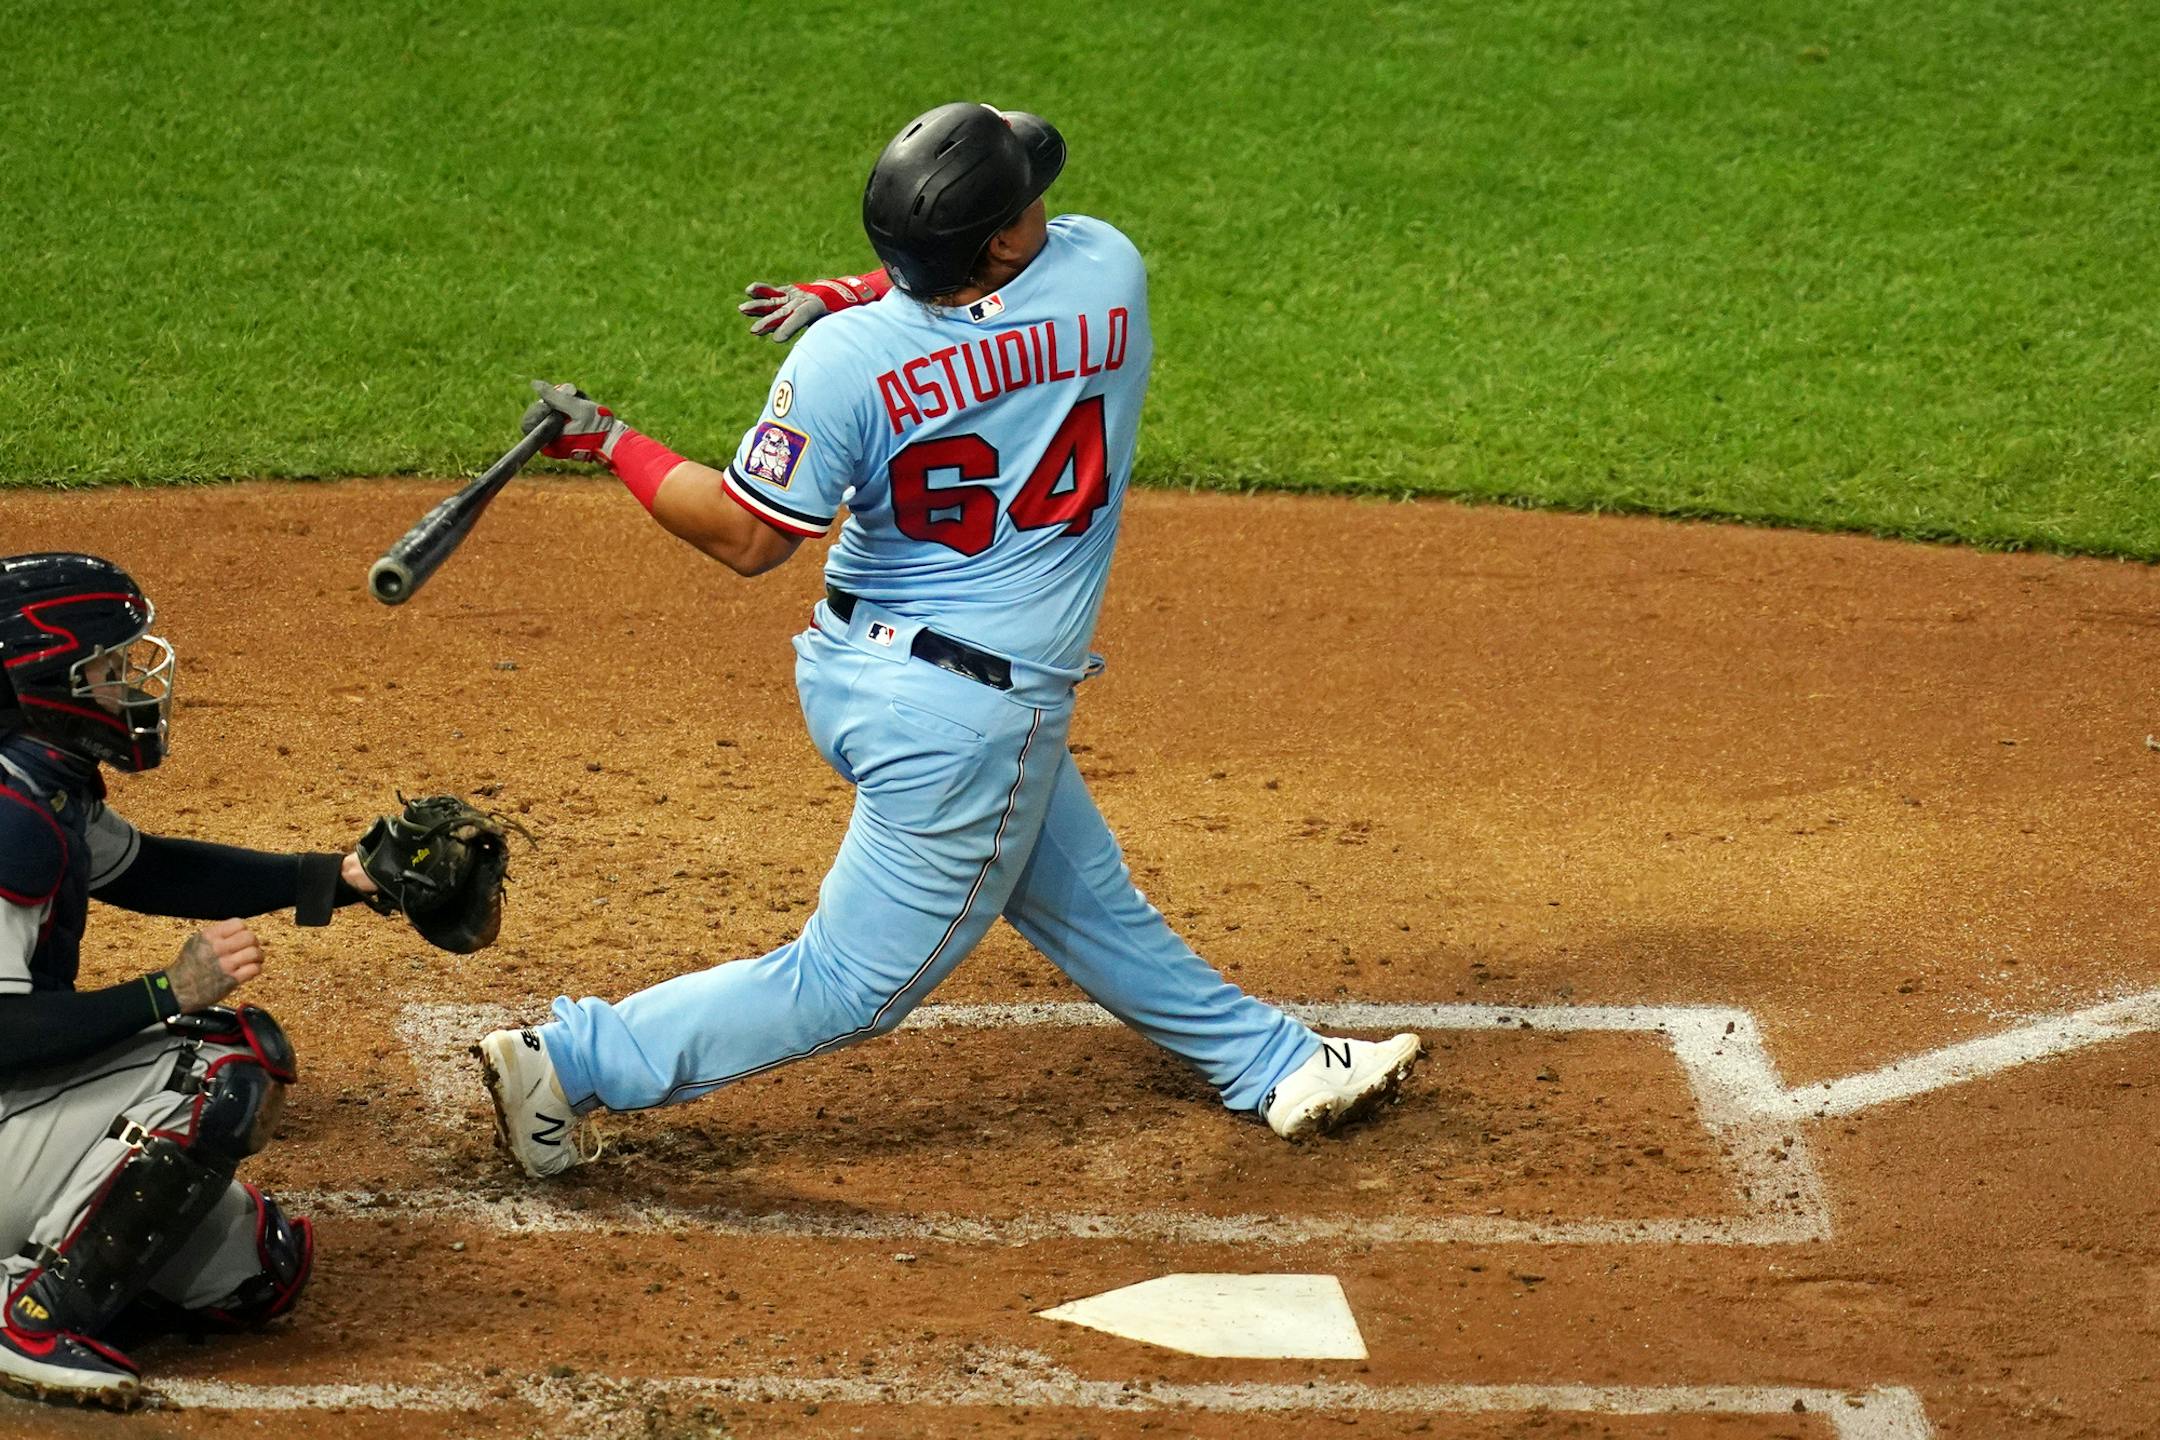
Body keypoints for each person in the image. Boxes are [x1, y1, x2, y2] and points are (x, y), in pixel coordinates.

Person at [477, 102, 1421, 1180]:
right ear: (1006, 242)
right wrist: (854, 290)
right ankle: (572, 1062)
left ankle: (1274, 1063)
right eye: (1025, 195)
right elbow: (1009, 293)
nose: (1042, 202)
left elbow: (745, 534)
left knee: (1075, 886)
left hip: (857, 672)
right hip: (971, 719)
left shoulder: (842, 364)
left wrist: (610, 440)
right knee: (851, 985)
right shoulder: (1109, 273)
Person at [0, 552, 381, 1411]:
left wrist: (339, 878)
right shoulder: (7, 825)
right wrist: (165, 994)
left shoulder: (32, 783)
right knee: (219, 1069)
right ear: (45, 679)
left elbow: (154, 872)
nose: (130, 682)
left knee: (257, 1271)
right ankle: (26, 1315)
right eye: (107, 667)